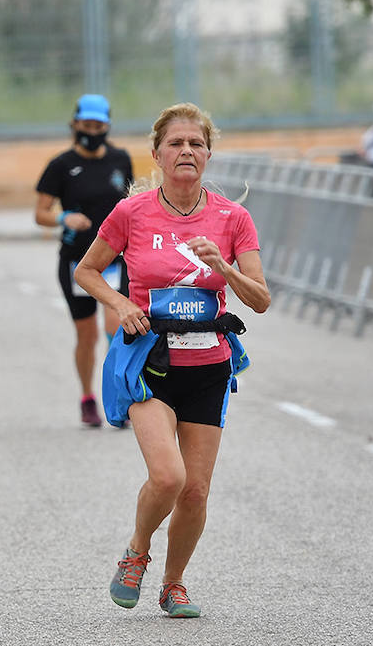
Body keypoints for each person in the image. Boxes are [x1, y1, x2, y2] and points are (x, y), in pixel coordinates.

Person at [74, 102, 269, 618]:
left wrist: (223, 267)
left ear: (208, 154)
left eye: (196, 144)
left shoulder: (233, 218)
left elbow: (261, 298)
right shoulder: (131, 213)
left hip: (208, 365)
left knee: (196, 491)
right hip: (148, 362)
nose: (187, 151)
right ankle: (137, 551)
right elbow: (87, 271)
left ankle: (174, 583)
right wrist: (120, 304)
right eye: (176, 144)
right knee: (168, 477)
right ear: (157, 153)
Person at [34, 94, 135, 427]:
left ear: (107, 126)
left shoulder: (121, 160)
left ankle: (120, 394)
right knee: (87, 335)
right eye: (86, 125)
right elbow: (40, 213)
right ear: (75, 124)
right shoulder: (61, 165)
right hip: (77, 263)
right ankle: (87, 397)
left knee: (116, 326)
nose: (92, 130)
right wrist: (64, 218)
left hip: (115, 260)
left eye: (98, 125)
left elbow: (130, 205)